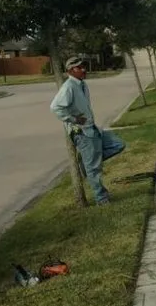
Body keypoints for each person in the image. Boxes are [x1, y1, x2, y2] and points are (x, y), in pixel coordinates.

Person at [50, 56, 126, 205]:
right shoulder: (69, 87)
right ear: (71, 70)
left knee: (118, 144)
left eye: (84, 66)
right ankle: (102, 199)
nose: (83, 69)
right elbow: (55, 107)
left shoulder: (82, 85)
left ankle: (87, 164)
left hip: (92, 128)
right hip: (82, 132)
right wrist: (74, 119)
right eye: (79, 67)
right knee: (94, 169)